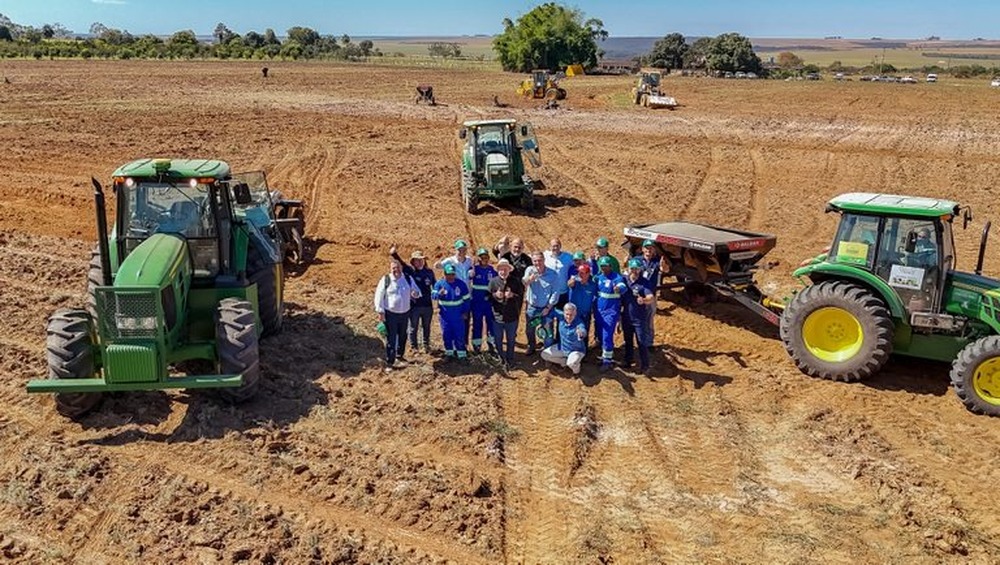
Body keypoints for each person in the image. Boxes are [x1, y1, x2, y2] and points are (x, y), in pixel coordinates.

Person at [373, 259, 421, 372]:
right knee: (392, 337)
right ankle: (390, 361)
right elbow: (379, 296)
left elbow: (417, 291)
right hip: (391, 314)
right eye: (393, 268)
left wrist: (415, 293)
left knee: (403, 335)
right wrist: (380, 311)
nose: (396, 270)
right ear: (390, 269)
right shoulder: (386, 279)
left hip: (405, 313)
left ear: (401, 268)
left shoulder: (408, 279)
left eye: (398, 267)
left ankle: (400, 356)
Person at [390, 245, 436, 353]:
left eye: (421, 260)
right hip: (414, 305)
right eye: (417, 260)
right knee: (413, 327)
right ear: (413, 262)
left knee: (426, 326)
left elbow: (435, 285)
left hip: (427, 305)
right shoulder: (411, 272)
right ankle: (414, 347)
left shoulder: (429, 272)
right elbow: (401, 263)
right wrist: (394, 254)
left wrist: (438, 294)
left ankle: (426, 345)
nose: (419, 262)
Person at [522, 250, 560, 355]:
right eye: (535, 261)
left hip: (546, 308)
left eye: (539, 260)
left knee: (548, 331)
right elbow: (524, 282)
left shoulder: (552, 274)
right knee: (530, 329)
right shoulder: (530, 270)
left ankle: (547, 352)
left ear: (544, 260)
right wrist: (530, 279)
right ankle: (531, 346)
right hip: (532, 308)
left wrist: (548, 307)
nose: (537, 263)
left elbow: (555, 292)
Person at [488, 258, 524, 366]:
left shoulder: (515, 281)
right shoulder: (493, 282)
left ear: (509, 269)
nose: (503, 272)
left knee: (511, 339)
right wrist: (495, 295)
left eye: (505, 269)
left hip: (512, 316)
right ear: (498, 270)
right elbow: (487, 296)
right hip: (497, 317)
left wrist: (512, 295)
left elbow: (521, 296)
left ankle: (510, 359)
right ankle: (500, 358)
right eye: (501, 269)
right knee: (498, 339)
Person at [432, 263, 471, 362]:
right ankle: (449, 354)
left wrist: (466, 312)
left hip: (458, 316)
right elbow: (433, 296)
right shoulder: (439, 284)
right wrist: (439, 294)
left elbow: (466, 299)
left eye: (452, 274)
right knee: (446, 334)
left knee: (459, 335)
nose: (450, 276)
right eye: (448, 274)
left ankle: (461, 355)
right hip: (445, 316)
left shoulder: (461, 284)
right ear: (444, 274)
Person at [622, 257, 654, 374]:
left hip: (639, 318)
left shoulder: (644, 282)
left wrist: (644, 300)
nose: (634, 271)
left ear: (640, 270)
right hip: (626, 316)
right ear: (629, 269)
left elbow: (651, 297)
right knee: (628, 340)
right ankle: (628, 361)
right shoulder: (624, 281)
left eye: (637, 269)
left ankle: (645, 365)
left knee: (641, 341)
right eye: (632, 268)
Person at [595, 256, 627, 371]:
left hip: (611, 312)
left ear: (610, 266)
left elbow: (622, 286)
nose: (604, 268)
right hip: (599, 312)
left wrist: (618, 288)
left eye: (606, 266)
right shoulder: (599, 277)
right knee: (600, 334)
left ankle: (607, 361)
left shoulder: (616, 278)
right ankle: (603, 356)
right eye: (602, 266)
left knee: (607, 336)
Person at [541, 303, 588, 375]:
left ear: (575, 313)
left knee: (572, 363)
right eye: (567, 314)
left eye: (571, 314)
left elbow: (583, 331)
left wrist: (581, 333)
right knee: (544, 354)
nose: (569, 317)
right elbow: (553, 311)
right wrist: (547, 313)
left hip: (576, 350)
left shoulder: (579, 323)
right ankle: (563, 361)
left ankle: (576, 372)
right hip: (563, 348)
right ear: (564, 313)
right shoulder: (561, 316)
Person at [470, 247, 498, 353]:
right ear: (478, 259)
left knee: (490, 323)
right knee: (477, 323)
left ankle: (491, 345)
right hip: (477, 302)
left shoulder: (492, 270)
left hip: (489, 303)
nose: (484, 259)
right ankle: (477, 346)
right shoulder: (474, 270)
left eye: (486, 257)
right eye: (481, 257)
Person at [638, 239, 661, 349]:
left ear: (654, 250)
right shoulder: (636, 260)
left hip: (651, 295)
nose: (648, 250)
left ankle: (649, 342)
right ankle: (638, 341)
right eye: (646, 248)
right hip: (637, 295)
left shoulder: (657, 262)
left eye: (651, 248)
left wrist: (664, 265)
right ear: (642, 249)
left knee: (649, 319)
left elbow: (664, 269)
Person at [567, 262, 597, 336]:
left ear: (587, 274)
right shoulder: (575, 282)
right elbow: (570, 283)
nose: (579, 274)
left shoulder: (592, 285)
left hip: (585, 314)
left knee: (584, 334)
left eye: (582, 273)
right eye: (579, 272)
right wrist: (572, 281)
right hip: (574, 313)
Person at [544, 238, 574, 310]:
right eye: (553, 246)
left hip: (563, 294)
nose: (555, 248)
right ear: (550, 247)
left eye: (557, 246)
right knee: (548, 317)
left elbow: (577, 265)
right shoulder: (545, 256)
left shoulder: (568, 257)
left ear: (560, 246)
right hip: (549, 293)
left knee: (562, 317)